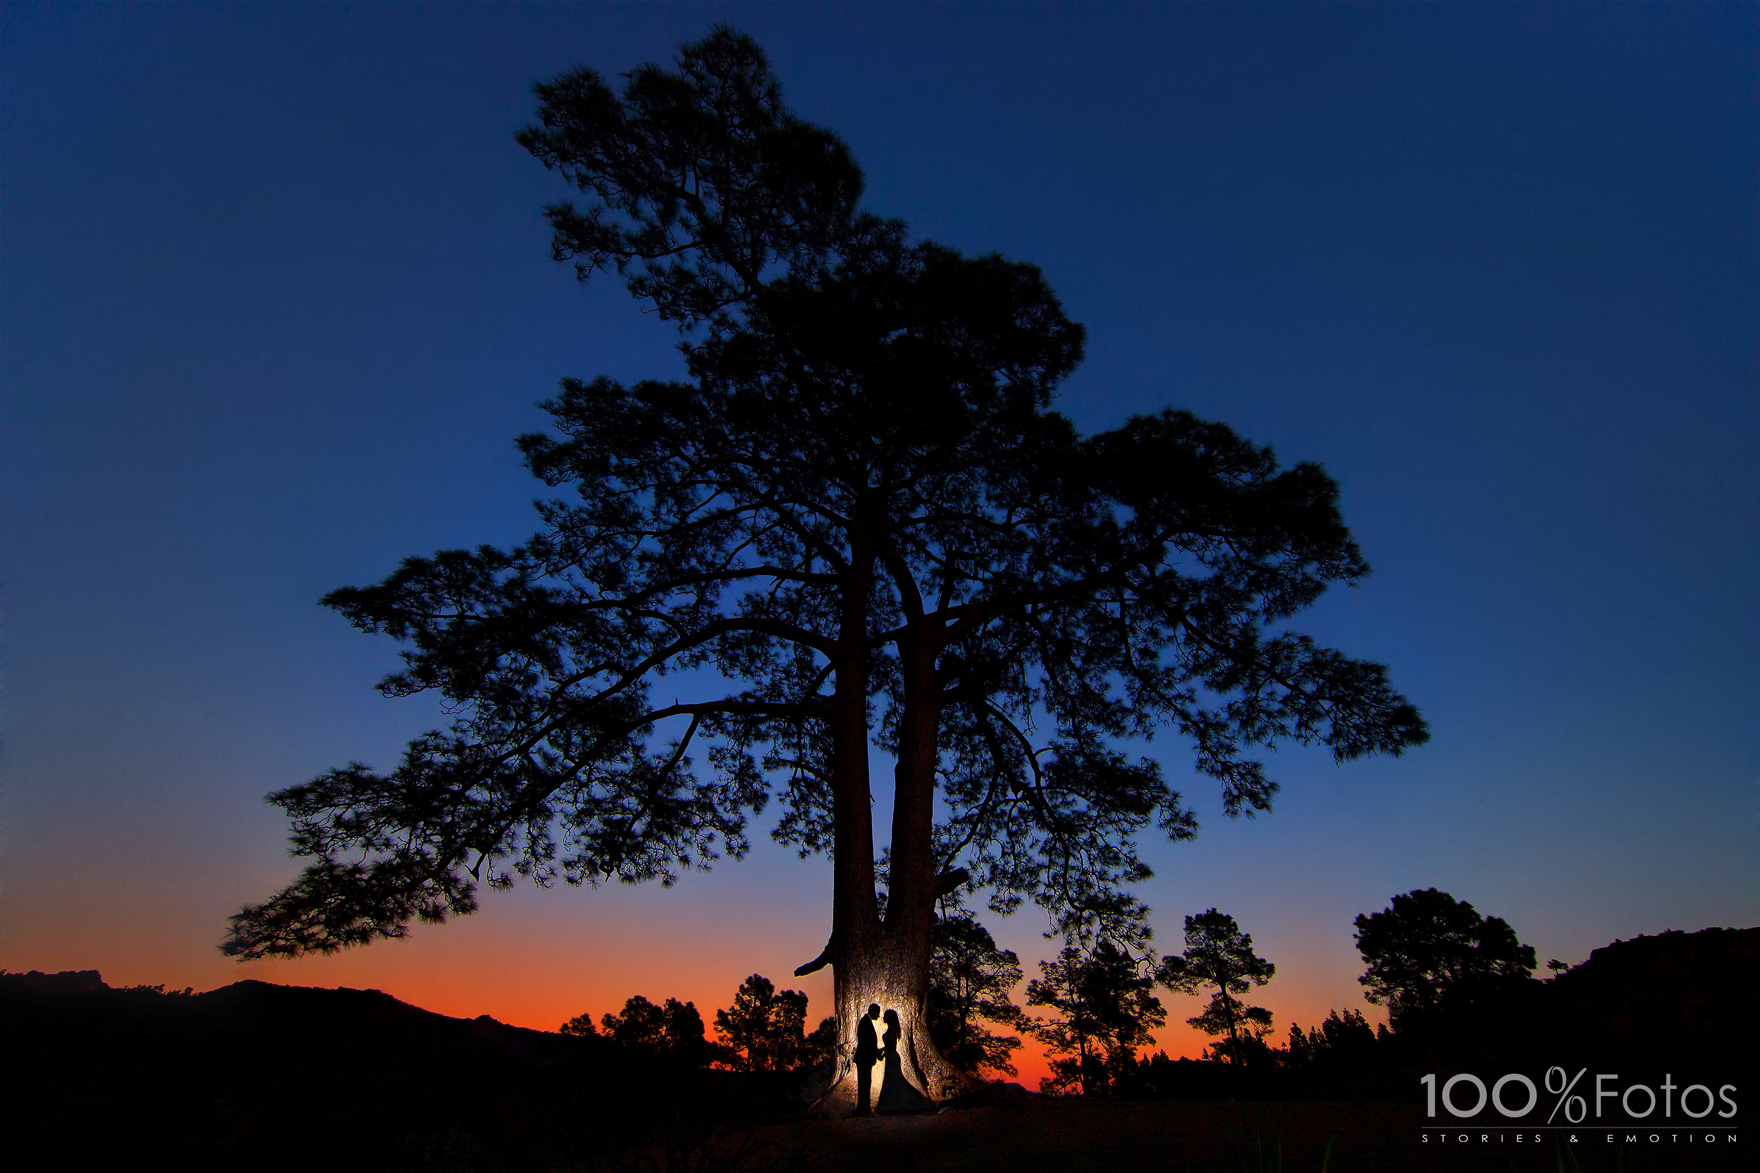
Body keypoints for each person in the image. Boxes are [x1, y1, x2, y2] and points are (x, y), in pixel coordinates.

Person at [875, 1007, 935, 1114]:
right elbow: (888, 1045)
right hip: (891, 1056)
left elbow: (890, 1046)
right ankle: (892, 1103)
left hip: (892, 1057)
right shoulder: (891, 1029)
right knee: (891, 1080)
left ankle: (908, 1103)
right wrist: (881, 1050)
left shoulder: (892, 1029)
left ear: (890, 1018)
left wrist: (883, 1055)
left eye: (885, 1016)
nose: (883, 1017)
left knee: (895, 1080)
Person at [854, 1003, 881, 1116]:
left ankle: (863, 1108)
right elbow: (867, 1043)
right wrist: (876, 1053)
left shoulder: (866, 1021)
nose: (878, 1016)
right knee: (864, 1084)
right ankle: (863, 1109)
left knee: (865, 1084)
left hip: (864, 1058)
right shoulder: (866, 1022)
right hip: (864, 1058)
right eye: (877, 1013)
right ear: (873, 1011)